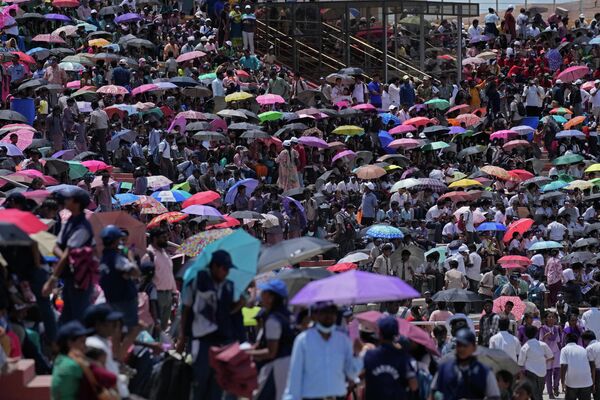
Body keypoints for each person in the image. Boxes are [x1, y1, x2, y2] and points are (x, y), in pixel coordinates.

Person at [178, 250, 241, 400]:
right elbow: (186, 310)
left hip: (222, 341)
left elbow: (227, 313)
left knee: (218, 383)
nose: (226, 273)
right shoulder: (196, 282)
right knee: (200, 379)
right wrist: (182, 337)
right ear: (214, 267)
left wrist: (240, 304)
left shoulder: (228, 286)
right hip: (201, 341)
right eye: (224, 268)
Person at [284, 301, 363, 400]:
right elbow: (295, 376)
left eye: (332, 311)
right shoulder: (303, 340)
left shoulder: (343, 340)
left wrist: (358, 354)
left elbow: (352, 372)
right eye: (324, 311)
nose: (329, 315)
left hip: (338, 397)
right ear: (314, 315)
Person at [42, 187, 93, 324]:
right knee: (66, 316)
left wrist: (52, 279)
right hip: (68, 275)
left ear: (77, 203)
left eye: (69, 199)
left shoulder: (83, 227)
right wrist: (65, 255)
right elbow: (57, 247)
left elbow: (65, 252)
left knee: (78, 318)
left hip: (79, 278)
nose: (65, 201)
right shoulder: (70, 221)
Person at [246, 279, 294, 400]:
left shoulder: (273, 320)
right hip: (289, 364)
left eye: (264, 292)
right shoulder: (288, 315)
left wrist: (246, 353)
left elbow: (271, 352)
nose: (261, 295)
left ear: (271, 298)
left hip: (277, 366)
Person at [431, 328, 501, 400]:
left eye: (465, 345)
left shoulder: (484, 371)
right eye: (459, 345)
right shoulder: (444, 368)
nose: (461, 349)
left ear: (474, 348)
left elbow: (494, 396)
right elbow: (433, 392)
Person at [363, 316, 418, 399]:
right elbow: (414, 385)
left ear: (379, 333)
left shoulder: (368, 355)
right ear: (396, 334)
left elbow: (356, 377)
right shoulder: (404, 356)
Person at [98, 225, 140, 329]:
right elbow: (136, 272)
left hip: (112, 299)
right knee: (130, 330)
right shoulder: (117, 258)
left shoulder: (103, 259)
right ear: (115, 241)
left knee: (117, 330)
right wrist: (131, 258)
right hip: (125, 299)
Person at [141, 228, 176, 331]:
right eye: (164, 237)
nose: (166, 239)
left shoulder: (165, 254)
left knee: (163, 328)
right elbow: (144, 278)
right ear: (155, 239)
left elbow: (170, 274)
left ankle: (161, 346)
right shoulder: (148, 255)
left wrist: (174, 293)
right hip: (156, 297)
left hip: (168, 295)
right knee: (155, 326)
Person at [51, 321, 91, 400]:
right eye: (82, 342)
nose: (85, 346)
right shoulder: (73, 365)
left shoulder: (60, 359)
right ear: (70, 343)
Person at [518, 325, 554, 400]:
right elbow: (551, 357)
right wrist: (544, 361)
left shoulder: (525, 347)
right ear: (536, 333)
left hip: (530, 373)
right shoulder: (543, 344)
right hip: (542, 372)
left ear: (526, 334)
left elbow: (520, 363)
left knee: (534, 395)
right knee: (539, 393)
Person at [560, 332, 594, 400]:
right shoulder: (583, 349)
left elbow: (563, 366)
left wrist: (562, 382)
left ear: (566, 340)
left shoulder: (564, 349)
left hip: (572, 383)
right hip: (586, 382)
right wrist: (592, 380)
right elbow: (592, 365)